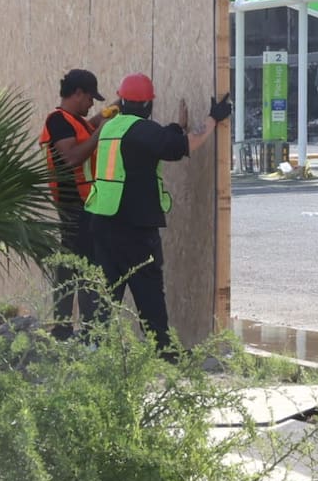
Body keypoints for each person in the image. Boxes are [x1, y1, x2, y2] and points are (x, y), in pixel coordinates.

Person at [84, 72, 231, 356]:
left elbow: (151, 144)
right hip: (135, 227)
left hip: (103, 222)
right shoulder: (142, 130)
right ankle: (165, 353)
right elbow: (183, 146)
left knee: (107, 291)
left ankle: (96, 350)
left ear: (122, 100)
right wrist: (214, 118)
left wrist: (175, 127)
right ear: (148, 105)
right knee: (148, 291)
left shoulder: (111, 127)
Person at [39, 68, 115, 340]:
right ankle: (88, 332)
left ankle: (63, 329)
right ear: (77, 93)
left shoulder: (75, 121)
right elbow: (72, 157)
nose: (91, 104)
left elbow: (90, 126)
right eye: (89, 98)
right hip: (75, 207)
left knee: (69, 267)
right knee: (84, 268)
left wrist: (115, 107)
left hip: (83, 206)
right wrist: (101, 133)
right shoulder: (57, 120)